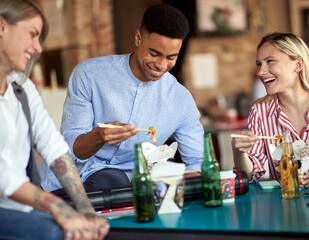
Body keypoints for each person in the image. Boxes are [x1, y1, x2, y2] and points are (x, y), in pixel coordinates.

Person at [40, 3, 204, 193]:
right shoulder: (89, 74)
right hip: (67, 183)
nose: (161, 64)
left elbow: (198, 162)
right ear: (138, 38)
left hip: (127, 192)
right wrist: (99, 137)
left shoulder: (180, 100)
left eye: (171, 57)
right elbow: (70, 147)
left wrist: (175, 181)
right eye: (154, 53)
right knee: (109, 181)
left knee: (116, 181)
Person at [0, 1, 109, 239]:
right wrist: (57, 205)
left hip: (23, 209)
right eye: (32, 35)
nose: (38, 48)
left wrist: (85, 208)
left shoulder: (23, 89)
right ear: (2, 27)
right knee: (55, 232)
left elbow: (54, 148)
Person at [232, 32, 309, 188]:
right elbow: (250, 175)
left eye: (270, 61)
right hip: (285, 206)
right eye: (259, 64)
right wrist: (239, 152)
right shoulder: (260, 113)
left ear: (298, 64)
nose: (260, 72)